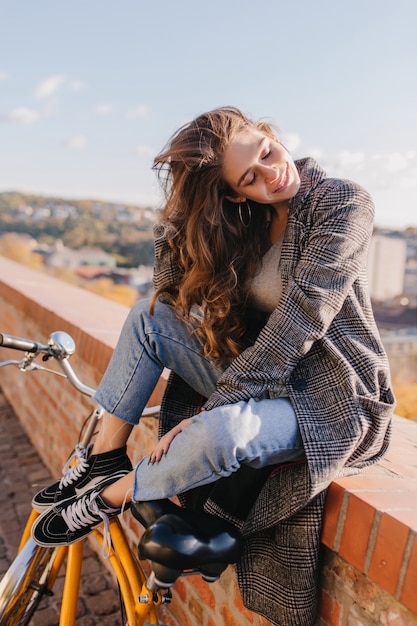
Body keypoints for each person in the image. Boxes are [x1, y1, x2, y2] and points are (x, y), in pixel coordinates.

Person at [31, 106, 395, 625]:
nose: (272, 174)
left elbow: (301, 322)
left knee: (218, 434)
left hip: (329, 399)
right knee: (147, 317)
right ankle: (105, 459)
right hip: (260, 379)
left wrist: (214, 409)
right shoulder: (245, 219)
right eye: (250, 177)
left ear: (271, 136)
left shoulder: (341, 202)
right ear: (232, 193)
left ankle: (107, 496)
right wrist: (186, 213)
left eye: (267, 153)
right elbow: (168, 291)